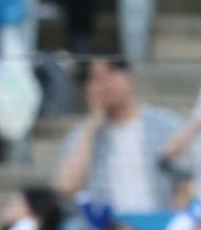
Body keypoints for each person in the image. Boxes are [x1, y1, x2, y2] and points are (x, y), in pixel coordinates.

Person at [53, 57, 181, 211]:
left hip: (157, 219)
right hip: (106, 223)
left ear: (128, 76)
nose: (106, 85)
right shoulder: (80, 136)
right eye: (96, 78)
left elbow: (189, 181)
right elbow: (65, 187)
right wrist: (92, 126)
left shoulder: (166, 126)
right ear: (86, 89)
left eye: (111, 73)